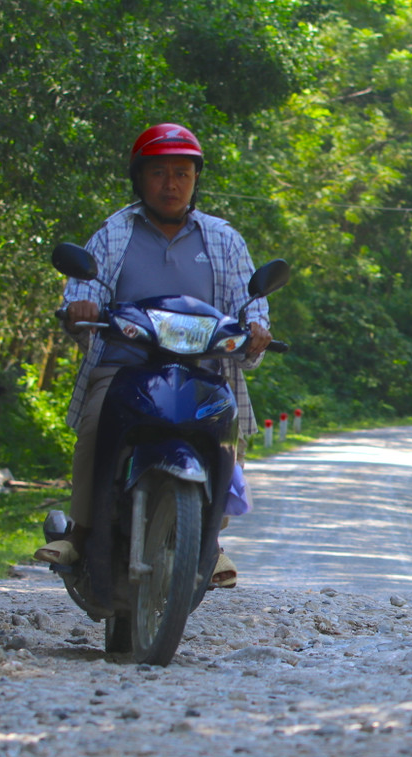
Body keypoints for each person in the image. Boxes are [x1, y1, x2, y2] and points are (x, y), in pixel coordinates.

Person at [34, 122, 271, 588]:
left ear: (195, 180)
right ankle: (80, 533)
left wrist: (258, 327)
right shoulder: (114, 233)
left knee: (224, 432)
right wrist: (78, 308)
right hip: (125, 365)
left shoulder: (223, 239)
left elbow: (251, 300)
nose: (171, 184)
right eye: (159, 173)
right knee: (96, 422)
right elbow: (85, 286)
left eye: (182, 173)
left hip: (202, 369)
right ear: (139, 178)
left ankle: (210, 543)